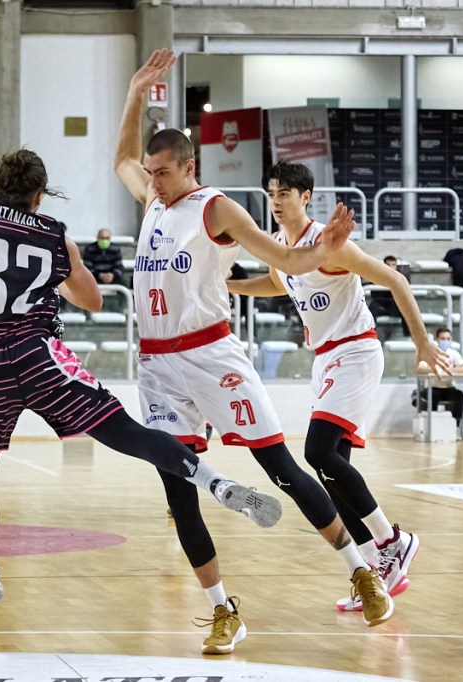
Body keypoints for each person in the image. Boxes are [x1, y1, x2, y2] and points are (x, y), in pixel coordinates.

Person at [0, 148, 283, 623]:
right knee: (125, 431)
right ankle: (216, 482)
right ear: (40, 194)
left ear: (0, 184)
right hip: (38, 358)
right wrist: (47, 279)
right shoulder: (54, 236)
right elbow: (93, 300)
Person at [115, 49, 395, 648]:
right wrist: (135, 93)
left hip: (213, 356)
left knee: (283, 469)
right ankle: (223, 610)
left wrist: (326, 249)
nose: (152, 181)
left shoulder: (216, 208)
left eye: (162, 173)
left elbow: (287, 259)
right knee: (177, 490)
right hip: (158, 366)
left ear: (188, 167)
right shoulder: (154, 202)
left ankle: (361, 570)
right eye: (150, 173)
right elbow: (121, 161)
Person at [226, 160, 450, 616]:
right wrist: (226, 285)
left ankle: (392, 539)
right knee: (334, 474)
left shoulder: (330, 244)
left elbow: (396, 280)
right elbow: (275, 283)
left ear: (305, 197)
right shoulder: (281, 248)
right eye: (271, 193)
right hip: (326, 358)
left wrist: (423, 342)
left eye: (285, 193)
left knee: (317, 452)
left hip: (356, 352)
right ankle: (373, 573)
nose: (276, 201)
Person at [415, 327, 463, 426]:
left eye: (448, 339)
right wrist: (435, 370)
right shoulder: (430, 353)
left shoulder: (453, 353)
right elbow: (419, 369)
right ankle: (432, 425)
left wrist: (447, 371)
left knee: (459, 395)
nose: (445, 341)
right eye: (443, 339)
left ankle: (456, 425)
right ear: (437, 339)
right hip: (433, 388)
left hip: (448, 388)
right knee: (433, 396)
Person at [368, 255, 409, 337]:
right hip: (382, 306)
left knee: (406, 307)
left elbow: (404, 295)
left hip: (395, 306)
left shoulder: (400, 278)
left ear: (396, 266)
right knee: (373, 306)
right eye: (388, 264)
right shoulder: (377, 277)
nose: (391, 267)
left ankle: (408, 335)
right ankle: (371, 334)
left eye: (393, 265)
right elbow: (374, 294)